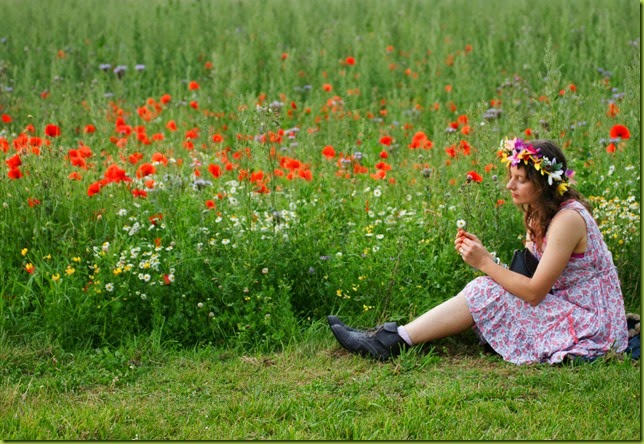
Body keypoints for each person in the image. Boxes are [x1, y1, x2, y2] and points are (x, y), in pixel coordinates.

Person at [328, 138, 629, 365]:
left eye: (520, 179)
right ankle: (390, 337)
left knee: (484, 287)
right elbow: (527, 276)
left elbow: (535, 292)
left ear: (544, 183)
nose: (510, 185)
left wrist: (484, 263)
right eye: (511, 176)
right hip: (564, 306)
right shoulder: (538, 214)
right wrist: (490, 260)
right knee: (486, 288)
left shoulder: (567, 220)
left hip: (592, 324)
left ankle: (389, 341)